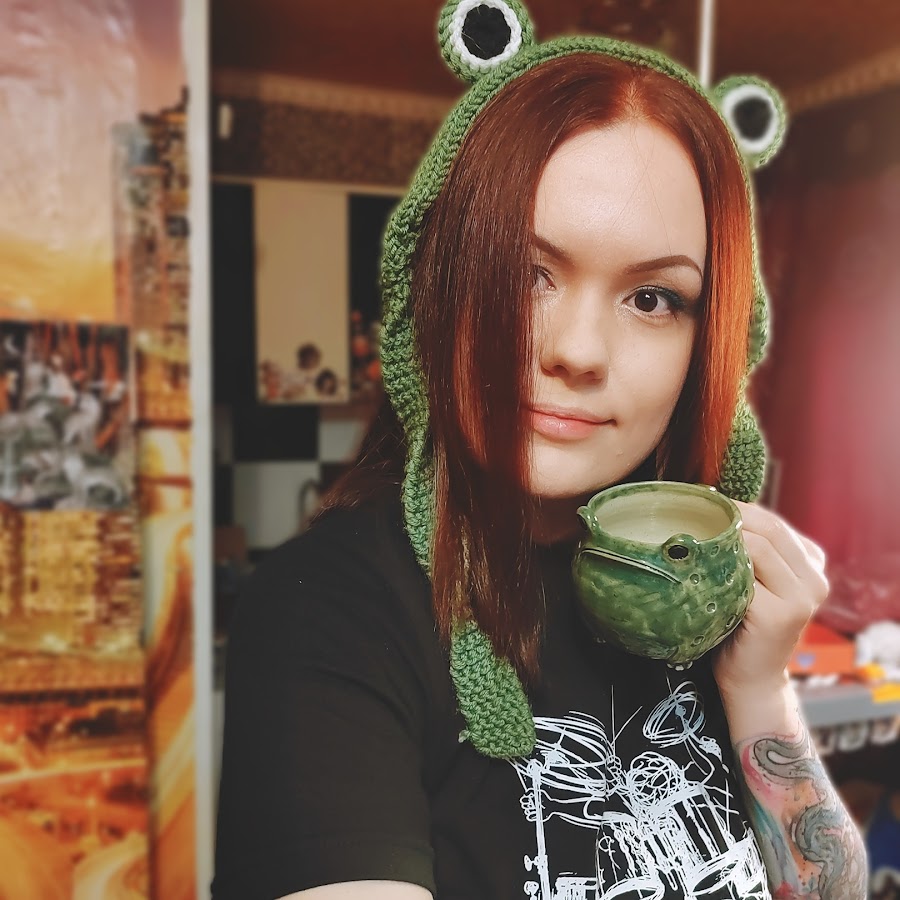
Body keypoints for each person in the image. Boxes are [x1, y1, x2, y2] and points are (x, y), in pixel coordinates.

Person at [212, 2, 868, 898]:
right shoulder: (331, 612)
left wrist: (760, 687)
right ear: (440, 287)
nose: (578, 351)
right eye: (528, 274)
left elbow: (831, 887)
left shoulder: (695, 599)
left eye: (653, 299)